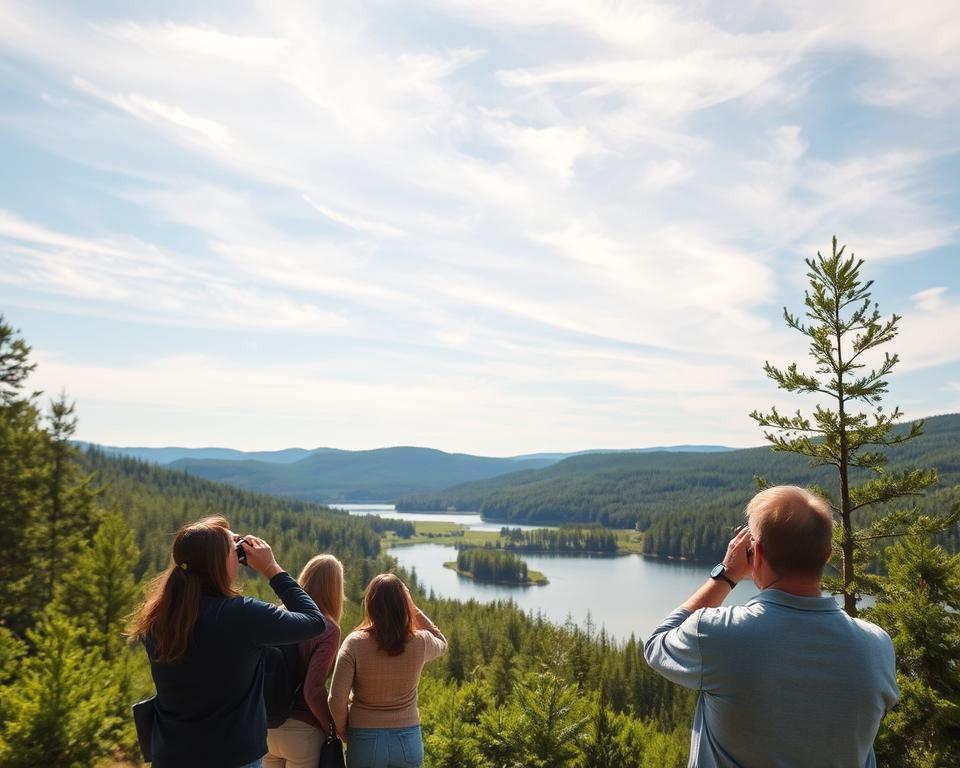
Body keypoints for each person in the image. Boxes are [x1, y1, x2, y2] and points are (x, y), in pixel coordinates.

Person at [644, 485, 899, 768]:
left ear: (758, 554)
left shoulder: (718, 634)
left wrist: (725, 575)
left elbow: (657, 645)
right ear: (827, 555)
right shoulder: (876, 647)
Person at [129, 516, 327, 768]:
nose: (240, 551)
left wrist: (226, 545)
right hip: (232, 757)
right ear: (219, 562)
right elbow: (314, 621)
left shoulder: (159, 618)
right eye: (235, 549)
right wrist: (271, 569)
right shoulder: (242, 615)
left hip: (171, 755)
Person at [328, 573, 446, 768]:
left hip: (364, 737)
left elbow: (335, 700)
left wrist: (343, 730)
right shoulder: (420, 641)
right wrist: (413, 608)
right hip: (407, 738)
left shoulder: (355, 643)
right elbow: (441, 642)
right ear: (404, 605)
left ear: (370, 605)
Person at [265, 554, 345, 768]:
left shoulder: (275, 615)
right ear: (335, 589)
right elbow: (312, 690)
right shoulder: (328, 630)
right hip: (303, 732)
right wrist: (331, 726)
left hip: (266, 728)